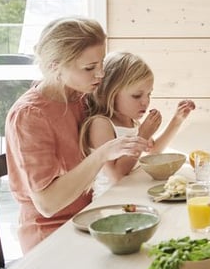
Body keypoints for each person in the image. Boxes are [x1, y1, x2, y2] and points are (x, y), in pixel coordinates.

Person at [5, 17, 150, 252]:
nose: (100, 74)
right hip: (53, 233)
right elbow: (48, 205)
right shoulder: (30, 116)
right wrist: (102, 154)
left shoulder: (82, 96)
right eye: (89, 68)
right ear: (55, 66)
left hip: (95, 213)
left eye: (101, 63)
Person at [80, 51, 196, 192]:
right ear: (110, 93)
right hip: (111, 199)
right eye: (136, 96)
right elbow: (116, 176)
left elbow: (152, 151)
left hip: (132, 192)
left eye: (149, 94)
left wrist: (177, 120)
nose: (145, 102)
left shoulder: (131, 121)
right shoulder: (101, 124)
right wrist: (143, 135)